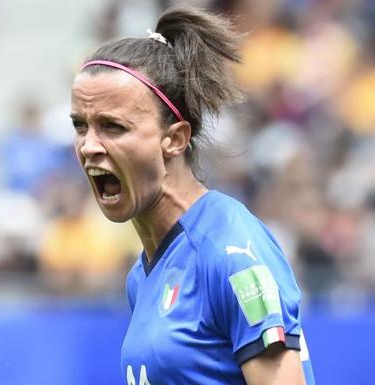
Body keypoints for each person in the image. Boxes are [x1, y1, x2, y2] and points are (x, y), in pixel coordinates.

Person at [69, 6, 315, 385]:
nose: (89, 146)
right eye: (80, 126)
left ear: (175, 139)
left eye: (112, 127)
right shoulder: (142, 275)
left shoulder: (231, 250)